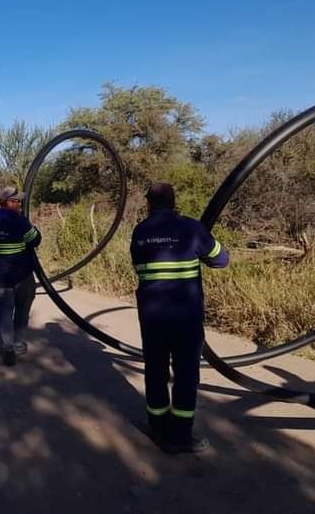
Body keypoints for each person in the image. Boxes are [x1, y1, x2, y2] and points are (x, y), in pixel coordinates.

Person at [130, 182, 229, 454]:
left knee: (155, 370)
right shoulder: (192, 228)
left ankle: (157, 426)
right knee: (186, 375)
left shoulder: (140, 231)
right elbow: (221, 260)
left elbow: (139, 265)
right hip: (186, 316)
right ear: (174, 202)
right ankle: (180, 437)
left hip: (152, 316)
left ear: (148, 203)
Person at [0, 186, 42, 367]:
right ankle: (17, 345)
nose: (20, 204)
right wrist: (34, 229)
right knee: (22, 312)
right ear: (9, 201)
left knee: (5, 314)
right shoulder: (19, 220)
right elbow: (35, 240)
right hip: (21, 277)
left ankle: (7, 349)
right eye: (17, 201)